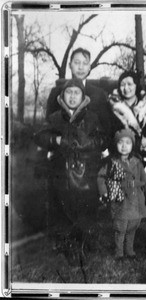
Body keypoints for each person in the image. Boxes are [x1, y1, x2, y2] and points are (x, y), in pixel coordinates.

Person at [34, 78, 107, 232]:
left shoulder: (92, 118)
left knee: (85, 214)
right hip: (61, 174)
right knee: (62, 215)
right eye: (69, 92)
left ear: (83, 97)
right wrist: (56, 139)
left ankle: (85, 243)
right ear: (62, 95)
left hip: (87, 175)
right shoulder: (55, 117)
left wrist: (88, 143)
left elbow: (103, 140)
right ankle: (65, 244)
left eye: (76, 93)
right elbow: (40, 137)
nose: (72, 96)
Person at [97, 129, 146, 259]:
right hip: (120, 200)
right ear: (115, 144)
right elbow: (101, 177)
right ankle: (119, 253)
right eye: (120, 142)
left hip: (135, 200)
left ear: (132, 145)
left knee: (132, 226)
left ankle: (130, 250)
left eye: (128, 143)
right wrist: (104, 192)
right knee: (120, 227)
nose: (124, 146)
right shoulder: (111, 162)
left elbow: (144, 179)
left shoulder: (137, 162)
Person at [46, 47, 113, 138]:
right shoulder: (56, 92)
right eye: (77, 62)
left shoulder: (99, 94)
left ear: (89, 67)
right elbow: (48, 127)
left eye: (85, 63)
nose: (81, 67)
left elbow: (106, 128)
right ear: (70, 65)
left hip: (91, 148)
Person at [108, 70, 146, 151]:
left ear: (136, 86)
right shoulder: (113, 108)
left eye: (129, 84)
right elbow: (109, 136)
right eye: (122, 85)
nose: (126, 88)